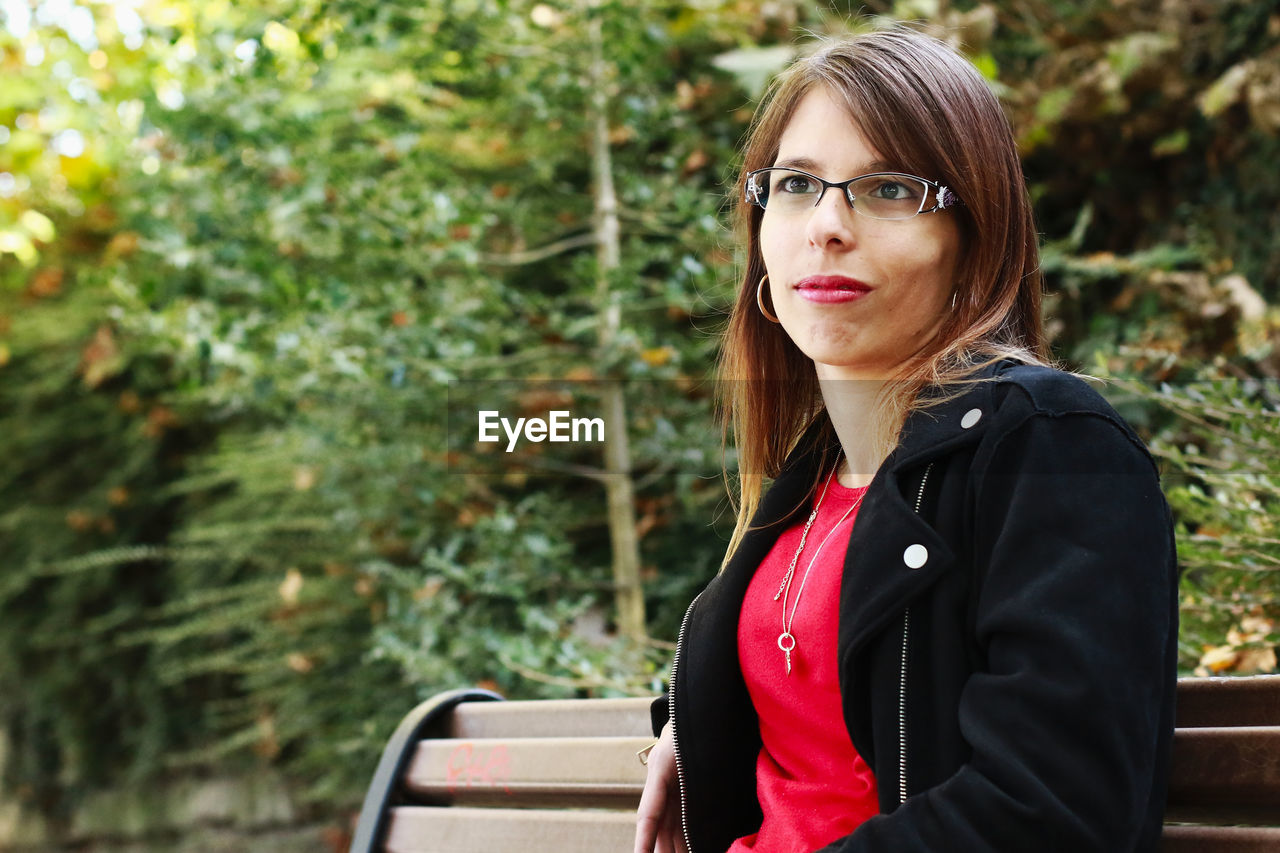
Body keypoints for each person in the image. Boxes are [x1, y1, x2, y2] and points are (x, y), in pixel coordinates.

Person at [633, 25, 1178, 853]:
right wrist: (695, 714)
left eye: (888, 188)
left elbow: (1051, 811)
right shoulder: (812, 479)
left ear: (973, 239)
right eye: (795, 184)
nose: (827, 225)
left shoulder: (1052, 449)